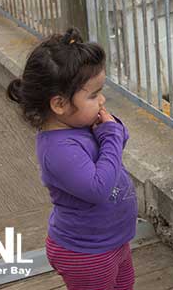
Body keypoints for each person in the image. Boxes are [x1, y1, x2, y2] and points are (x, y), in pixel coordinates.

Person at [7, 28, 137, 290]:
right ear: (59, 104)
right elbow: (98, 188)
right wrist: (109, 135)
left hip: (113, 241)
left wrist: (110, 132)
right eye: (93, 95)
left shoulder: (79, 124)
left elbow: (120, 136)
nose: (102, 101)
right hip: (86, 252)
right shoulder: (58, 151)